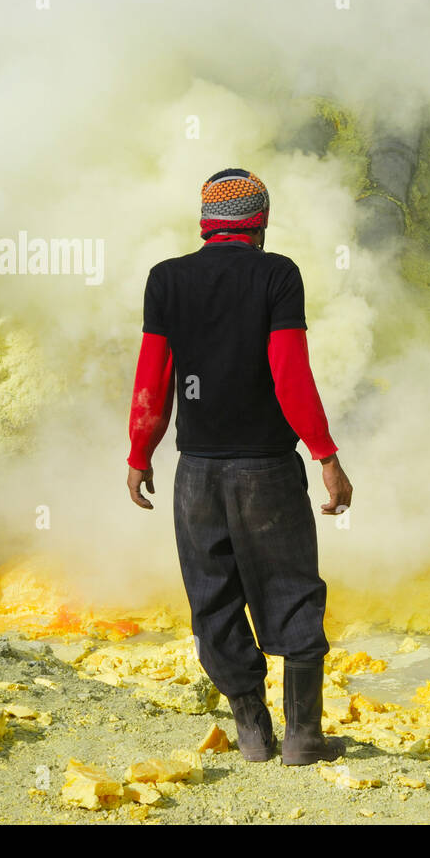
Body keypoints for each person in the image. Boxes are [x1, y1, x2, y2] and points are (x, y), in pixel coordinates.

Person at [125, 168, 352, 764]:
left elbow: (154, 379)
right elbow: (289, 374)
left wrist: (139, 453)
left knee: (213, 595)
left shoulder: (166, 280)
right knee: (293, 588)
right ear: (262, 221)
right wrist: (326, 455)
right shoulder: (278, 274)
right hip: (267, 471)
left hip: (195, 471)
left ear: (206, 222)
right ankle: (303, 738)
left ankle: (252, 732)